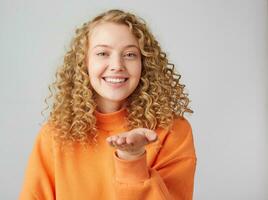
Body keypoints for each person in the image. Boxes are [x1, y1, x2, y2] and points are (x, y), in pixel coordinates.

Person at [19, 9, 197, 200]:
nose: (117, 65)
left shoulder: (173, 131)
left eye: (129, 54)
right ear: (83, 63)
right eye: (103, 53)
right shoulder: (56, 134)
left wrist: (133, 159)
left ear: (144, 64)